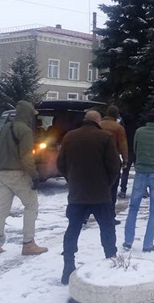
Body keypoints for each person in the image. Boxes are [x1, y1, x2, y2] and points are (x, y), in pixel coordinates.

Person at [56, 110, 121, 285]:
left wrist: (71, 179)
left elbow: (60, 163)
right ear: (98, 121)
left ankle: (68, 266)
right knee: (107, 228)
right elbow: (115, 166)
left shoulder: (69, 137)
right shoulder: (105, 137)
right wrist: (107, 183)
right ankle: (111, 261)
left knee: (73, 229)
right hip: (101, 194)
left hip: (77, 194)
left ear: (85, 120)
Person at [0, 100, 48, 257]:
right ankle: (28, 243)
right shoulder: (25, 130)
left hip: (4, 173)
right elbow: (26, 156)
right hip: (19, 174)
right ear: (27, 115)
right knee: (31, 206)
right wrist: (34, 175)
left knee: (2, 208)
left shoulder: (6, 127)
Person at [123, 108, 154, 253]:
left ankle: (128, 241)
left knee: (133, 207)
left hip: (141, 171)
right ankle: (148, 244)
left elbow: (136, 149)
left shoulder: (139, 132)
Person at [99, 105, 128, 225]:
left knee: (97, 188)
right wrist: (125, 159)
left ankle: (88, 214)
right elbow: (123, 145)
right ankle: (110, 215)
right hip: (113, 160)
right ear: (116, 115)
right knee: (112, 189)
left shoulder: (99, 125)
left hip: (98, 160)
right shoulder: (118, 128)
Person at [118, 113, 138, 199]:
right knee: (140, 172)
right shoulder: (137, 128)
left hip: (128, 151)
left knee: (125, 172)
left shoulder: (123, 129)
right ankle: (144, 190)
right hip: (137, 151)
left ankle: (123, 190)